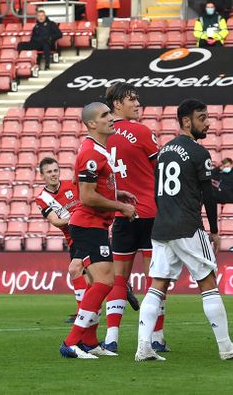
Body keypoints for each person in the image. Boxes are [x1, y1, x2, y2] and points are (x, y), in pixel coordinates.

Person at [135, 98, 233, 362]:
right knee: (208, 283)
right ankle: (226, 347)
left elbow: (157, 192)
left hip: (162, 226)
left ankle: (143, 346)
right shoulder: (200, 154)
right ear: (186, 121)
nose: (208, 122)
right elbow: (209, 195)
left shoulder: (164, 151)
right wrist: (213, 230)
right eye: (202, 117)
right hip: (188, 225)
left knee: (157, 286)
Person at [59, 102, 138, 359]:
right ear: (92, 123)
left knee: (97, 282)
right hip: (89, 225)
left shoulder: (96, 150)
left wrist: (117, 192)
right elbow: (87, 197)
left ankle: (90, 342)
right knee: (105, 282)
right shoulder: (92, 153)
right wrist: (120, 207)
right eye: (105, 115)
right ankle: (71, 342)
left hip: (93, 225)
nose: (111, 118)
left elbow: (77, 183)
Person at [102, 83, 162, 354]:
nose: (137, 103)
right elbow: (159, 170)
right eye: (131, 99)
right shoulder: (142, 131)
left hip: (119, 214)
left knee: (118, 279)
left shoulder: (100, 135)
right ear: (116, 104)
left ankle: (112, 338)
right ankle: (156, 338)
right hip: (148, 212)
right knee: (155, 278)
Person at [34, 157, 86, 322]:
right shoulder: (42, 198)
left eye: (56, 170)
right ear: (42, 175)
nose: (54, 174)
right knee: (89, 277)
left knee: (75, 270)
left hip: (87, 231)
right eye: (49, 172)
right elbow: (56, 221)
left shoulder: (71, 184)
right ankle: (118, 286)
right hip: (73, 238)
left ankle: (82, 313)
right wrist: (75, 217)